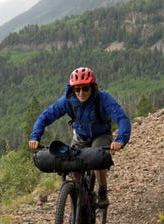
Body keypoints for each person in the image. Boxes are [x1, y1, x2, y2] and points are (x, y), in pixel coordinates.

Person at [28, 67, 131, 207]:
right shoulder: (68, 100)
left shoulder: (103, 98)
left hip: (101, 134)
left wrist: (120, 140)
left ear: (92, 87)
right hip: (80, 136)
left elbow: (122, 118)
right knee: (72, 164)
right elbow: (45, 116)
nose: (81, 93)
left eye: (85, 88)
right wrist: (35, 137)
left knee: (97, 157)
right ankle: (75, 208)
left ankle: (102, 190)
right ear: (72, 89)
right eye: (77, 89)